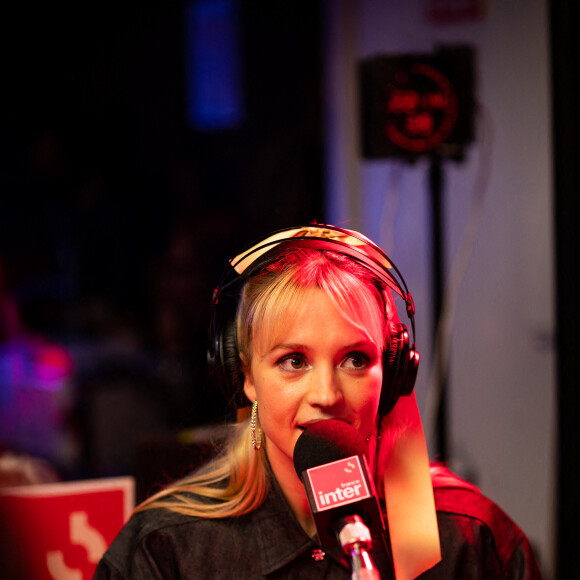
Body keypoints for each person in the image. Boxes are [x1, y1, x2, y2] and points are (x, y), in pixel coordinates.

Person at [94, 224, 543, 580]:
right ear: (246, 376)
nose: (327, 395)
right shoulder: (163, 550)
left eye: (354, 358)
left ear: (393, 373)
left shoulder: (469, 537)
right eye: (293, 360)